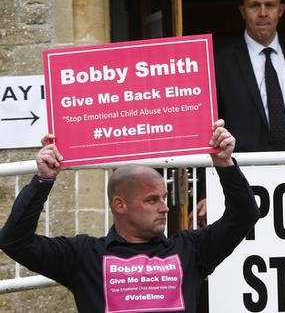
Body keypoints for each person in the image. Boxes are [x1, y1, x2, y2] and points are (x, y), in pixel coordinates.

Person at [0, 119, 260, 313]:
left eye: (165, 198)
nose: (165, 208)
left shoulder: (191, 249)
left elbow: (244, 216)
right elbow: (15, 241)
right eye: (152, 200)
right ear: (119, 205)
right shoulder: (83, 256)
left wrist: (225, 163)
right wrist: (43, 180)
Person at [205, 0, 285, 225]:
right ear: (242, 11)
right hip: (243, 179)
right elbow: (207, 127)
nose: (263, 13)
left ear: (281, 10)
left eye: (269, 5)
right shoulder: (219, 61)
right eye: (254, 5)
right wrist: (204, 191)